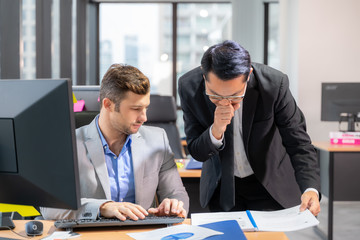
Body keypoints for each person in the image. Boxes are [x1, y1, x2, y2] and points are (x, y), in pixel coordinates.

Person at [178, 40, 320, 216]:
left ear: (249, 75)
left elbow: (298, 142)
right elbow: (196, 151)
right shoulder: (188, 87)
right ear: (203, 75)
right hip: (222, 187)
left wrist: (310, 188)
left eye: (235, 96)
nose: (225, 102)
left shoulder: (275, 85)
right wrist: (216, 130)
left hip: (268, 184)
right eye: (215, 95)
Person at [41, 64, 189, 220]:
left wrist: (174, 204)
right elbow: (50, 207)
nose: (144, 118)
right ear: (108, 105)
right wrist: (102, 207)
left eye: (146, 108)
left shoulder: (158, 139)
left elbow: (177, 193)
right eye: (136, 109)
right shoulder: (68, 144)